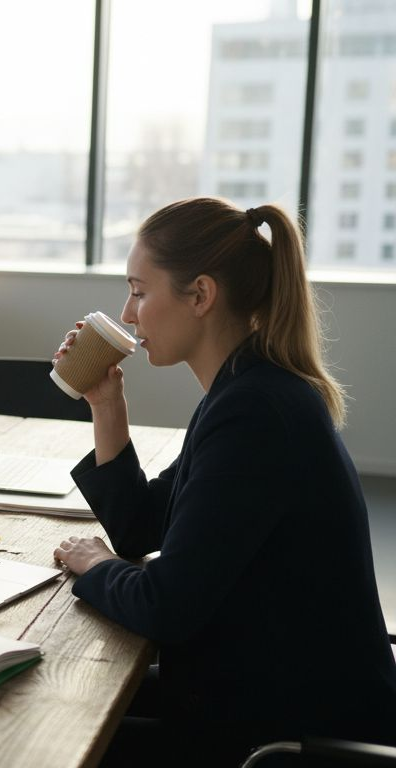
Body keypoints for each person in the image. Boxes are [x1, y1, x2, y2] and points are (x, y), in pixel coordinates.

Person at [51, 197, 396, 765]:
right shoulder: (246, 392)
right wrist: (105, 403)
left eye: (139, 290)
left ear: (202, 295)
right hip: (257, 689)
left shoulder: (256, 415)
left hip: (280, 737)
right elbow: (141, 526)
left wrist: (96, 564)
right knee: (72, 699)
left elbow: (165, 608)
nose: (128, 313)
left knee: (53, 738)